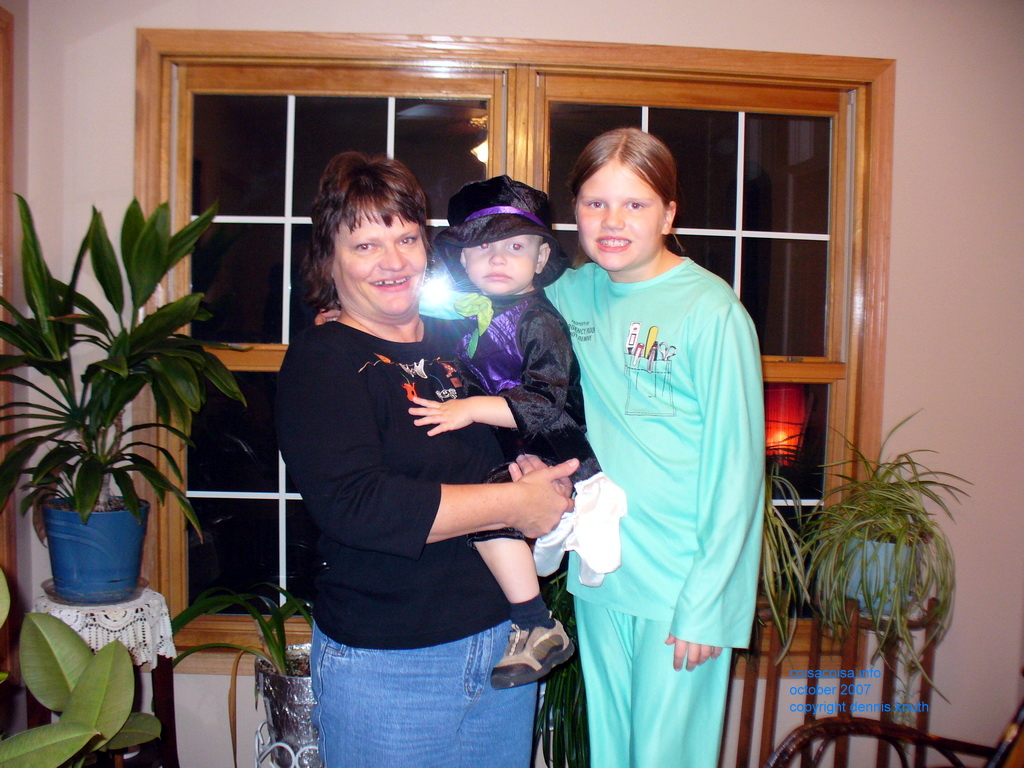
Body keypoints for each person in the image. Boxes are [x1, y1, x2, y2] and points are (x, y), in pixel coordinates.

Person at [275, 151, 577, 768]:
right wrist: (516, 503)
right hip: (390, 665)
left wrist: (532, 474)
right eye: (364, 245)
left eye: (406, 238)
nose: (392, 262)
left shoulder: (461, 340)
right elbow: (358, 506)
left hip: (505, 645)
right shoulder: (323, 359)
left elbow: (509, 437)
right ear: (328, 258)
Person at [542, 128, 765, 768]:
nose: (612, 222)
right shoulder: (571, 294)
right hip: (602, 573)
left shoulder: (711, 310)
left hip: (680, 587)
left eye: (634, 205)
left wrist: (709, 605)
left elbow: (737, 470)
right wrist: (358, 314)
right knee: (612, 755)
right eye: (594, 203)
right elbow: (486, 306)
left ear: (668, 213)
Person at [408, 176, 627, 690]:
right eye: (483, 247)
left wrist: (468, 410)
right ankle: (533, 623)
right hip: (514, 451)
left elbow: (546, 399)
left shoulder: (537, 320)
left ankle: (534, 621)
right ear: (462, 262)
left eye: (513, 246)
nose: (497, 258)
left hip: (555, 446)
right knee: (487, 516)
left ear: (539, 257)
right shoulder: (470, 314)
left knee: (491, 511)